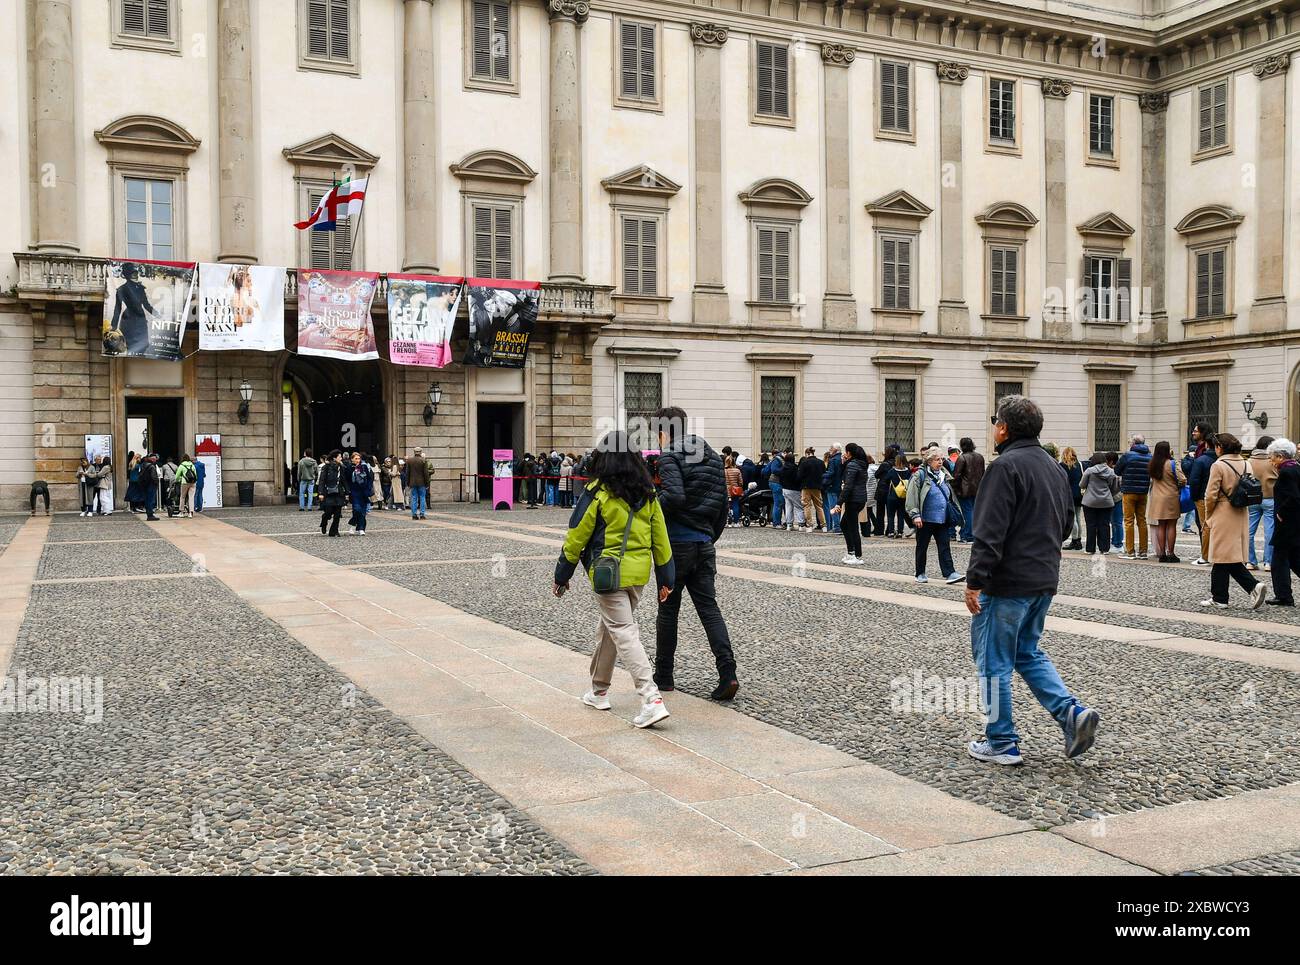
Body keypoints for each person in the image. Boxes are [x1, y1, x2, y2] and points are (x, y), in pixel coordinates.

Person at [965, 395, 1100, 766]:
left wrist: (975, 579)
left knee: (994, 661)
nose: (994, 427)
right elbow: (1066, 522)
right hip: (1044, 578)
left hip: (1007, 582)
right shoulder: (1054, 468)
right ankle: (1071, 715)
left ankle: (1002, 741)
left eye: (996, 421)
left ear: (1004, 428)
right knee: (1027, 652)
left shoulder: (1005, 467)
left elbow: (989, 531)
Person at [554, 431, 674, 729]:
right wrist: (666, 577)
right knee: (610, 629)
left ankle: (651, 698)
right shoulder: (648, 494)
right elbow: (661, 541)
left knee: (623, 631)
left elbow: (576, 537)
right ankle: (598, 690)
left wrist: (562, 574)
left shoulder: (597, 492)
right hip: (638, 575)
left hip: (608, 574)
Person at [650, 405, 739, 701]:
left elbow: (674, 496)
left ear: (663, 433)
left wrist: (650, 507)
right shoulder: (713, 456)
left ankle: (664, 675)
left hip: (676, 545)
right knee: (709, 610)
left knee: (668, 611)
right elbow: (723, 506)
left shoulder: (669, 455)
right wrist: (709, 536)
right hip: (703, 543)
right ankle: (728, 673)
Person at [1201, 433, 1267, 609]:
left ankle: (1229, 594)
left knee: (1221, 556)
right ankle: (1224, 595)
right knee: (1228, 556)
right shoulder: (1247, 463)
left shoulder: (1219, 465)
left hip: (1223, 512)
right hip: (1241, 511)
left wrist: (1208, 516)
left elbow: (1210, 495)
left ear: (1220, 448)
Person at [905, 447, 965, 585]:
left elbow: (950, 496)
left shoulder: (944, 475)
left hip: (942, 518)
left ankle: (950, 573)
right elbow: (911, 496)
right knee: (922, 546)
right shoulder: (920, 475)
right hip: (925, 518)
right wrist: (915, 515)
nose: (940, 462)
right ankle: (920, 573)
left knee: (944, 545)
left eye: (942, 459)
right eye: (937, 459)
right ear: (929, 461)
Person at [1266, 438, 1300, 606]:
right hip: (1294, 522)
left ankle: (1284, 595)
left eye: (1272, 457)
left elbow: (1293, 496)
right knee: (1294, 559)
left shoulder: (1286, 472)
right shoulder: (1296, 468)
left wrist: (1281, 512)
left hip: (1287, 523)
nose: (1271, 460)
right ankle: (1284, 595)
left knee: (1278, 560)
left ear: (1280, 456)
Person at [1145, 441, 1185, 562]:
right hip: (1171, 497)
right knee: (1171, 525)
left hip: (1157, 498)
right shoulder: (1172, 463)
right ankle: (1171, 553)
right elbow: (1182, 479)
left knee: (1161, 526)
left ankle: (1161, 553)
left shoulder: (1153, 464)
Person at [1115, 434, 1152, 559]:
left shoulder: (1127, 456)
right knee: (1142, 520)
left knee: (1129, 521)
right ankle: (1143, 551)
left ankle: (1130, 551)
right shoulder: (1149, 456)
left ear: (1134, 444)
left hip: (1129, 491)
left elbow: (1117, 471)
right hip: (1143, 492)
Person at [1080, 452, 1121, 554]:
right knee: (1105, 525)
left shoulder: (1089, 471)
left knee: (1091, 525)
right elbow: (1114, 488)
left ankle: (1090, 549)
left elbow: (1082, 484)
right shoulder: (1111, 471)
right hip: (1106, 502)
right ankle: (1104, 548)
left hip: (1090, 502)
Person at [1246, 435, 1277, 571]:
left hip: (1253, 498)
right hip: (1270, 497)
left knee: (1249, 530)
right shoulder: (1273, 460)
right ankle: (1268, 562)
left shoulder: (1249, 461)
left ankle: (1250, 561)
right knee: (1269, 530)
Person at [836, 443, 870, 565]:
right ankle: (851, 552)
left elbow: (848, 485)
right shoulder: (861, 464)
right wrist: (844, 463)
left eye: (846, 452)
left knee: (853, 528)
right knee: (844, 524)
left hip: (853, 499)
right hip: (860, 498)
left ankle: (857, 555)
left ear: (849, 453)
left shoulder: (853, 465)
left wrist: (839, 503)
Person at [1188, 437, 1218, 564]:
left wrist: (1194, 497)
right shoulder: (1220, 460)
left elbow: (1194, 480)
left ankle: (1205, 556)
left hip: (1202, 496)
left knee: (1205, 526)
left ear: (1206, 444)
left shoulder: (1200, 460)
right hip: (1218, 497)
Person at [798, 446, 828, 533]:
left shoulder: (804, 462)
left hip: (806, 487)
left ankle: (809, 525)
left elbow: (799, 476)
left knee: (807, 506)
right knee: (819, 506)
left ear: (807, 454)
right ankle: (824, 526)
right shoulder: (820, 462)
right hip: (817, 487)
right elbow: (824, 474)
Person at [882, 452, 911, 538]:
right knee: (901, 515)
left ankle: (891, 532)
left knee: (890, 515)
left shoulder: (892, 471)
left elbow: (885, 480)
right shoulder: (908, 471)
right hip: (903, 496)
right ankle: (900, 532)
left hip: (892, 495)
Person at [1060, 447, 1084, 550]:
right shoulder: (1079, 465)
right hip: (1079, 494)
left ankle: (1074, 540)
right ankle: (1078, 540)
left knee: (1073, 518)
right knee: (1078, 517)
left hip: (1069, 494)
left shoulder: (1062, 466)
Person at [318, 450, 346, 537]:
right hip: (328, 493)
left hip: (339, 492)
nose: (341, 458)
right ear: (334, 458)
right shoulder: (326, 467)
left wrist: (347, 492)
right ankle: (324, 521)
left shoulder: (341, 467)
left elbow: (344, 480)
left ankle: (334, 531)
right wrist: (321, 493)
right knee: (328, 512)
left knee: (337, 514)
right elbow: (322, 481)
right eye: (340, 457)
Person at [348, 452, 374, 535]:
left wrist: (369, 488)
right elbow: (347, 480)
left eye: (359, 458)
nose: (358, 460)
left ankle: (361, 528)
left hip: (364, 491)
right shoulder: (349, 467)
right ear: (352, 459)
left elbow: (370, 478)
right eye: (356, 458)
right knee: (357, 510)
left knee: (363, 511)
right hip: (354, 491)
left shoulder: (364, 467)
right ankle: (353, 525)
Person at [407, 446, 432, 519]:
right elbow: (426, 473)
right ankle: (422, 514)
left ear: (414, 452)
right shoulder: (423, 460)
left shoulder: (409, 460)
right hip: (422, 483)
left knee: (414, 498)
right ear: (420, 452)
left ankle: (414, 514)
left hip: (412, 482)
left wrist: (408, 482)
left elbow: (407, 472)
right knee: (422, 498)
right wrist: (427, 483)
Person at [823, 445, 843, 534]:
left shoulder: (833, 460)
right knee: (838, 507)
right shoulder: (842, 458)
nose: (830, 450)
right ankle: (839, 525)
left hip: (832, 486)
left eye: (831, 448)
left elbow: (831, 473)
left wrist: (822, 475)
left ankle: (836, 527)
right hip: (839, 486)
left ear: (835, 449)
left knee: (833, 507)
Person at [762, 449, 784, 527]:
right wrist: (784, 470)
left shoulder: (774, 460)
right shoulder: (778, 459)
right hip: (776, 482)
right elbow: (774, 470)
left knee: (778, 503)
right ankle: (776, 523)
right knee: (778, 503)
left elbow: (765, 471)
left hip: (773, 482)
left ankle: (777, 522)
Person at [175, 453, 198, 518]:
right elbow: (195, 475)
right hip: (193, 483)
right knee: (191, 497)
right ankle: (190, 513)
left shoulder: (181, 465)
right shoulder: (192, 465)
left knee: (182, 497)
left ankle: (181, 512)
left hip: (184, 483)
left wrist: (179, 480)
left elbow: (177, 476)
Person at [138, 454, 160, 521]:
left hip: (145, 485)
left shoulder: (143, 465)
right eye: (155, 459)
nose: (155, 460)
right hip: (151, 485)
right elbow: (154, 477)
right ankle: (150, 515)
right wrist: (156, 483)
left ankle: (149, 514)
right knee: (150, 500)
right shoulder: (152, 466)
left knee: (147, 500)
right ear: (153, 459)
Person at [724, 455, 743, 526]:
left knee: (725, 506)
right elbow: (741, 482)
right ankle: (736, 522)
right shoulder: (737, 470)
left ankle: (725, 522)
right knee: (735, 505)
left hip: (726, 490)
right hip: (735, 491)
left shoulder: (724, 471)